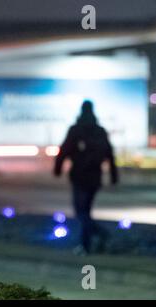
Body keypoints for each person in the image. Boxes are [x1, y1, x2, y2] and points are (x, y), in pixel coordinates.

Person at [54, 100, 118, 255]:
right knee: (85, 212)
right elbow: (109, 153)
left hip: (79, 176)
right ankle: (91, 242)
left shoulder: (76, 130)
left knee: (81, 213)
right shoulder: (99, 131)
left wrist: (58, 168)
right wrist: (113, 175)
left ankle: (94, 240)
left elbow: (64, 151)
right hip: (95, 177)